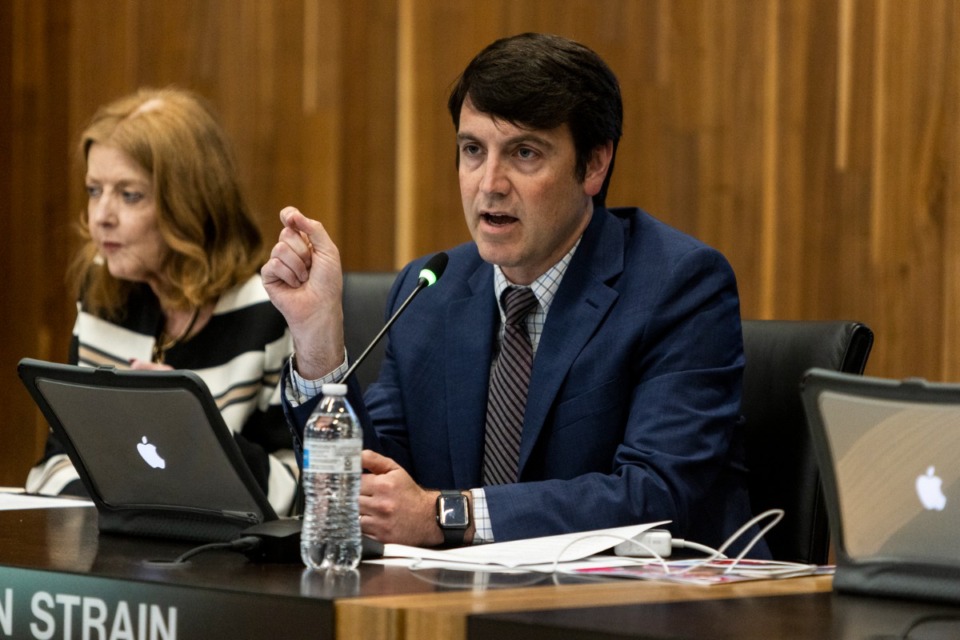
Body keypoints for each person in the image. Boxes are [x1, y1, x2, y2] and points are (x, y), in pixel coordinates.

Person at [263, 33, 764, 553]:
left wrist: (447, 516)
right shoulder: (431, 290)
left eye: (524, 153)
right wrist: (317, 340)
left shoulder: (677, 285)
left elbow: (654, 492)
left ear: (594, 164)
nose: (490, 184)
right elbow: (376, 485)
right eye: (473, 151)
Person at [26, 87, 298, 516]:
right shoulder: (103, 291)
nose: (101, 216)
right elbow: (58, 460)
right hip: (119, 547)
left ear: (189, 203)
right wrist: (119, 505)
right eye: (95, 190)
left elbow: (296, 487)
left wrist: (195, 431)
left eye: (129, 195)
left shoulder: (266, 310)